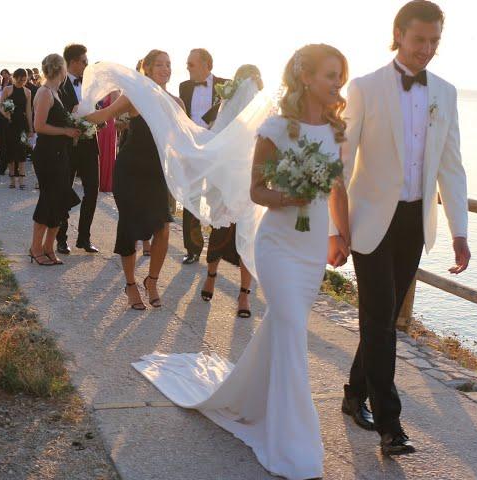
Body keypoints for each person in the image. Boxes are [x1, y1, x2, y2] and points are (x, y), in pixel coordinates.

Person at [121, 44, 350, 480]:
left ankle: (252, 399)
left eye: (341, 75)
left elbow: (338, 189)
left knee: (287, 328)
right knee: (289, 329)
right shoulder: (276, 127)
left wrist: (343, 236)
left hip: (312, 245)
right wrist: (289, 196)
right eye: (329, 74)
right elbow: (258, 192)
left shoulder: (339, 131)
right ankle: (294, 440)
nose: (337, 83)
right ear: (306, 77)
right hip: (279, 244)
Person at [327, 0, 471, 456]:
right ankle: (391, 424)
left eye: (434, 41)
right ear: (399, 35)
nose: (427, 49)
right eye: (419, 40)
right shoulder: (366, 87)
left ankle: (353, 394)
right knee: (381, 319)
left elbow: (452, 167)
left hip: (414, 221)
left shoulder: (445, 92)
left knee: (381, 318)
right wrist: (337, 228)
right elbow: (341, 162)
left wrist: (459, 231)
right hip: (371, 221)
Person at [83, 49, 185, 310]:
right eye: (160, 64)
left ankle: (152, 280)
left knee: (162, 227)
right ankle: (130, 285)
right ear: (148, 68)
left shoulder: (177, 103)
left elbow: (184, 140)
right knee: (129, 228)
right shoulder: (134, 96)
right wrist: (77, 117)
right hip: (129, 171)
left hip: (157, 174)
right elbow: (102, 117)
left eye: (169, 64)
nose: (165, 69)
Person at [198, 64, 264, 318]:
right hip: (227, 181)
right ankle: (211, 277)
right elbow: (216, 138)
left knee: (248, 237)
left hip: (251, 185)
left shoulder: (265, 113)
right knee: (219, 232)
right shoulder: (225, 108)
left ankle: (244, 295)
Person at [29, 53, 81, 266]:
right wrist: (66, 131)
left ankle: (49, 247)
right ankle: (35, 248)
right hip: (47, 155)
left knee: (60, 200)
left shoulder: (55, 92)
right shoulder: (44, 93)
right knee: (49, 199)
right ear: (61, 70)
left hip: (60, 155)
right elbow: (39, 126)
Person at [178, 48, 228, 265]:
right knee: (192, 199)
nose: (187, 68)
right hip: (192, 149)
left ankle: (218, 251)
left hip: (217, 152)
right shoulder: (184, 87)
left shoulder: (227, 86)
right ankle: (193, 248)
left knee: (217, 199)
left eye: (191, 64)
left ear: (207, 64)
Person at [56, 43, 101, 254]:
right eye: (84, 61)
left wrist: (99, 119)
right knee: (63, 191)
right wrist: (72, 120)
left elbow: (97, 109)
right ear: (73, 62)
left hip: (90, 145)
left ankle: (84, 237)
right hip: (68, 146)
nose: (87, 64)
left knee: (92, 191)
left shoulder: (90, 85)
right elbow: (56, 114)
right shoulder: (59, 85)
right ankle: (61, 238)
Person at [0, 68, 34, 189]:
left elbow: (29, 111)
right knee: (10, 150)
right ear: (15, 78)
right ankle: (12, 180)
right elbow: (1, 105)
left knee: (22, 150)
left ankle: (22, 180)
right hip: (9, 124)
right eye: (19, 80)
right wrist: (6, 115)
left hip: (22, 125)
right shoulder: (7, 89)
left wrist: (31, 128)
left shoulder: (28, 92)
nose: (21, 82)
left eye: (24, 80)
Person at [97, 91, 118, 192]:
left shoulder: (114, 91)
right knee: (99, 151)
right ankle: (98, 181)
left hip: (109, 125)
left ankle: (106, 183)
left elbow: (115, 111)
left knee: (107, 152)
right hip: (99, 124)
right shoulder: (100, 89)